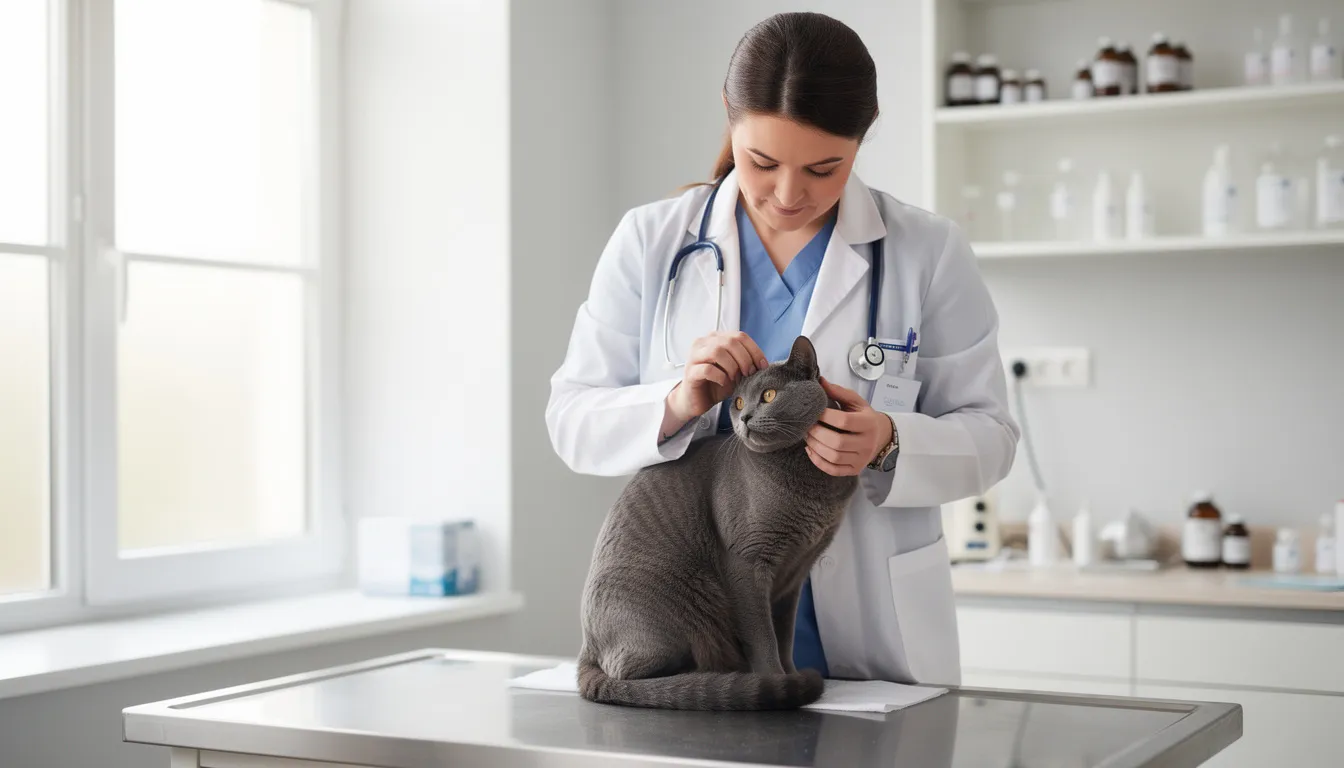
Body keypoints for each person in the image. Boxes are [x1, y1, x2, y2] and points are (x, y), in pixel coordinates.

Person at [545, 11, 1019, 686]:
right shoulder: (653, 241)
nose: (790, 194)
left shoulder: (926, 251)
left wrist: (887, 441)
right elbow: (571, 421)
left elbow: (992, 434)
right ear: (728, 118)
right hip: (694, 643)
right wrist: (675, 401)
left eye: (826, 169)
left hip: (872, 647)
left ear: (863, 139)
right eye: (761, 162)